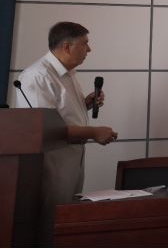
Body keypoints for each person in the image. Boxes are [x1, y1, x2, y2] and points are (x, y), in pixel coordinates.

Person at [16, 22, 118, 248]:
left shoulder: (68, 73)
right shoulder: (39, 76)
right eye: (85, 44)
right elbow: (44, 129)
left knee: (65, 223)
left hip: (73, 158)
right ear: (67, 46)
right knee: (50, 225)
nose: (89, 49)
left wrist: (84, 106)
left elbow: (60, 116)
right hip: (53, 162)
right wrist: (93, 132)